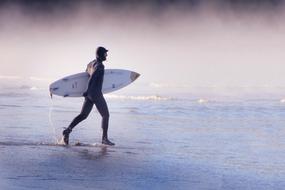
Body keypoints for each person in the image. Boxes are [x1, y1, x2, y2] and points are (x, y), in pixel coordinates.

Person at [62, 46, 115, 146]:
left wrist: (87, 92)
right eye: (105, 53)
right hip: (96, 93)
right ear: (100, 54)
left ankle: (67, 131)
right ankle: (104, 139)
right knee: (105, 115)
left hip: (89, 94)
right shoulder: (100, 66)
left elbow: (85, 75)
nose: (106, 55)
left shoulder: (90, 64)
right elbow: (92, 78)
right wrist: (87, 90)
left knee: (83, 115)